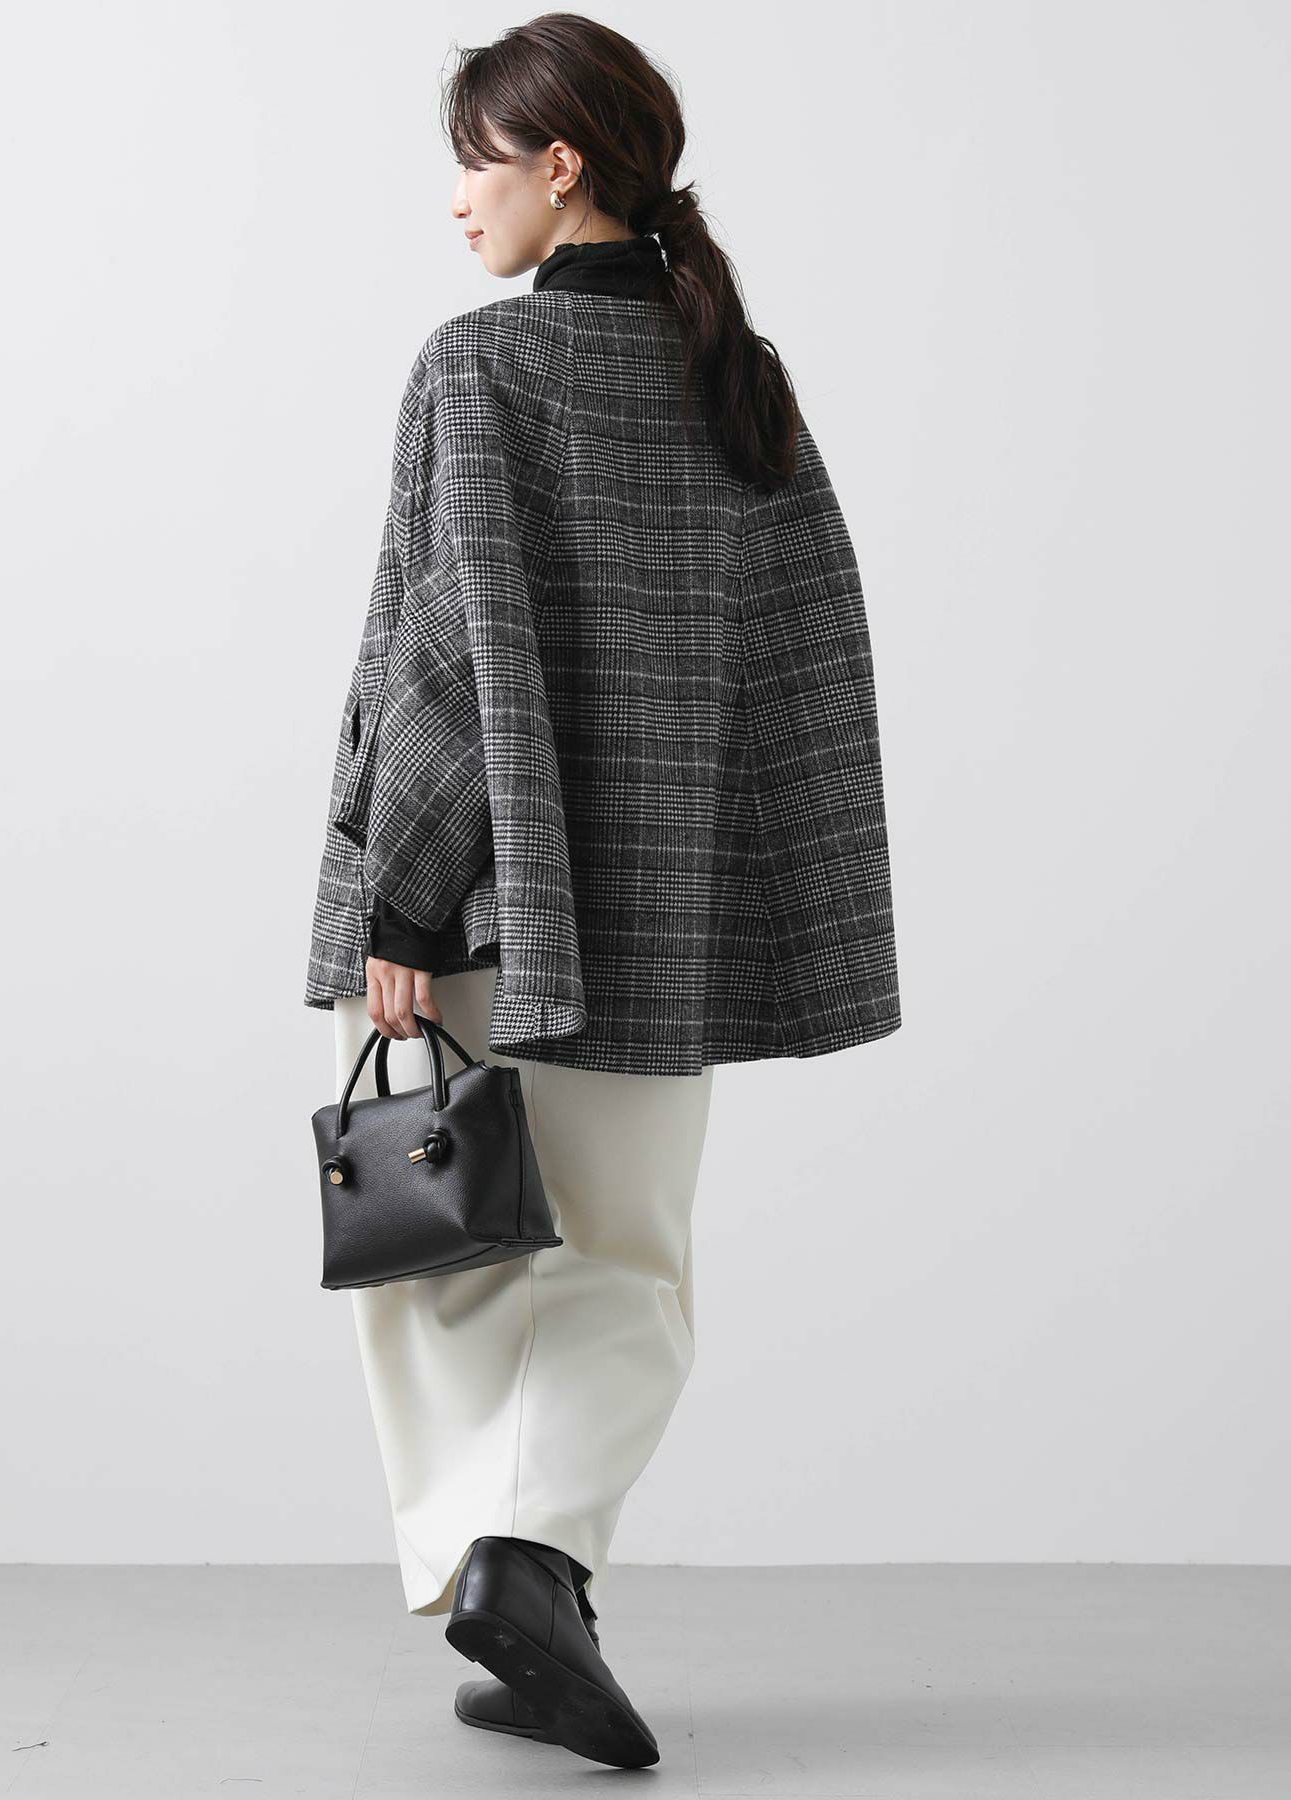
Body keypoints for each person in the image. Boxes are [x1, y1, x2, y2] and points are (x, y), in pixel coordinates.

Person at [304, 13, 901, 1770]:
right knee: (625, 1267)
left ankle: (512, 1568)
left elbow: (436, 647)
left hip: (484, 905)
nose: (458, 201)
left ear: (561, 163)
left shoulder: (480, 367)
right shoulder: (737, 374)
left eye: (476, 162)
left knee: (444, 1251)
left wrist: (403, 905)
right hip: (658, 921)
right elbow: (805, 655)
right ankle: (542, 1573)